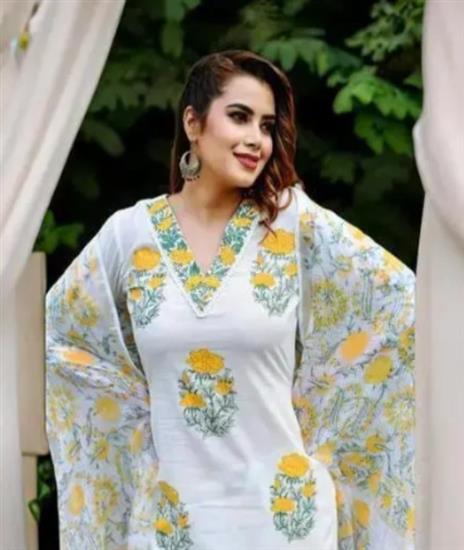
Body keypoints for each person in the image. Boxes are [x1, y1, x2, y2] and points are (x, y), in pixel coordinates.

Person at [45, 50, 415, 549]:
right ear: (193, 124)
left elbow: (403, 307)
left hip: (285, 526)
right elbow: (59, 338)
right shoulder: (127, 235)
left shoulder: (293, 222)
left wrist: (322, 426)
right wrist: (136, 430)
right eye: (240, 117)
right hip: (171, 527)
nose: (256, 139)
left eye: (267, 126)